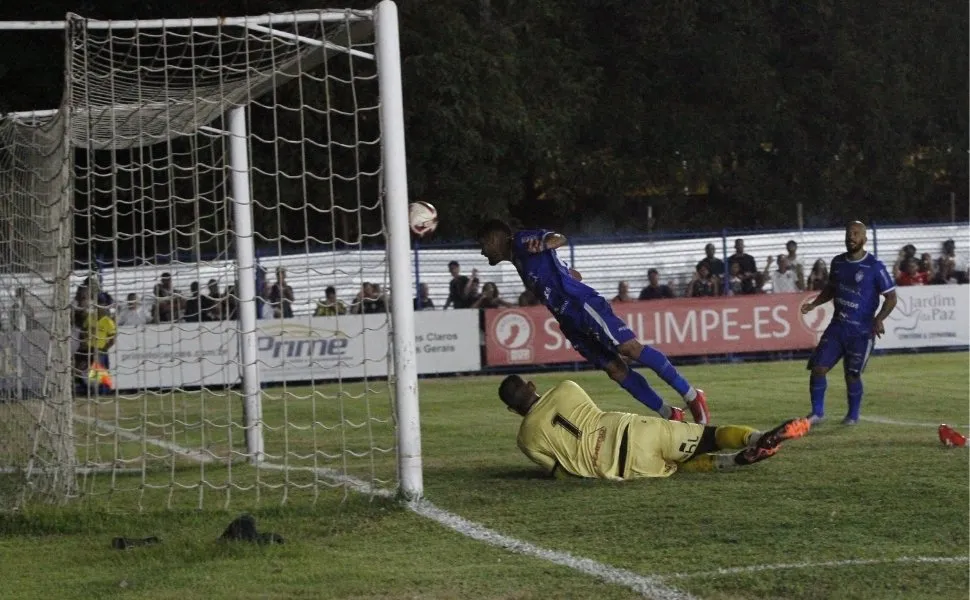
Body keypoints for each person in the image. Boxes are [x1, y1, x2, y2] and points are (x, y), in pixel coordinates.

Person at [476, 219, 710, 424]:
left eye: (482, 244)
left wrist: (548, 243)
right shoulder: (519, 259)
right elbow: (567, 272)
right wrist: (565, 273)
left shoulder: (519, 241)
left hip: (580, 304)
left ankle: (691, 395)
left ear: (494, 238)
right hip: (568, 319)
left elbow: (555, 238)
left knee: (629, 348)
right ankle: (670, 414)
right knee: (615, 370)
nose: (482, 251)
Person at [498, 375, 811, 480]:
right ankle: (757, 438)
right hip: (633, 429)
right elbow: (590, 414)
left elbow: (559, 473)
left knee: (678, 467)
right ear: (532, 385)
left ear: (513, 410)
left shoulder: (525, 438)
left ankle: (735, 461)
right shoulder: (566, 387)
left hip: (620, 466)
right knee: (710, 435)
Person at [800, 221, 897, 425]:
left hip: (862, 332)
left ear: (864, 238)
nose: (850, 237)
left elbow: (891, 298)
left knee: (852, 374)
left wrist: (879, 319)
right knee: (818, 367)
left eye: (855, 233)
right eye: (848, 233)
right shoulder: (837, 263)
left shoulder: (874, 267)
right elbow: (831, 289)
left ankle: (852, 416)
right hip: (837, 328)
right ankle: (817, 413)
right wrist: (814, 304)